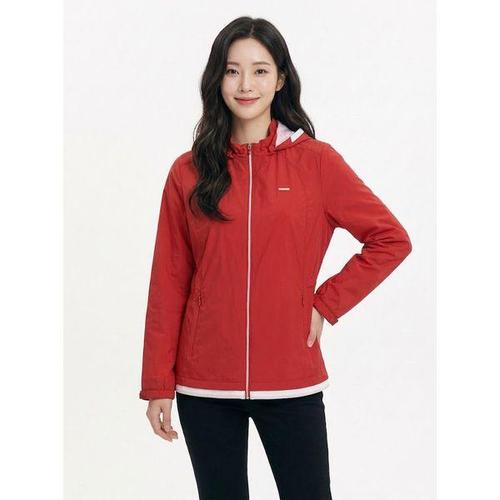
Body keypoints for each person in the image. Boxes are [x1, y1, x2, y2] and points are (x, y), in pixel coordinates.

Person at [139, 16, 412, 500]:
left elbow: (390, 239)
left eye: (260, 71)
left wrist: (325, 303)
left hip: (291, 378)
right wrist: (158, 382)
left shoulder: (316, 162)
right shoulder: (188, 171)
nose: (246, 84)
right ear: (217, 78)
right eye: (232, 70)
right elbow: (169, 280)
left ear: (281, 78)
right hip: (204, 383)